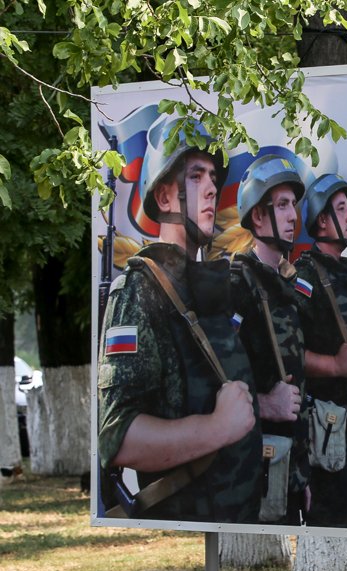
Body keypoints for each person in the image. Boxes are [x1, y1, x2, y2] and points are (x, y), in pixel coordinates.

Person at [97, 116, 263, 523]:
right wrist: (217, 429)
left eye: (213, 177)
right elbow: (118, 437)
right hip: (184, 527)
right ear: (165, 196)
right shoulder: (140, 291)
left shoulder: (210, 288)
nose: (212, 188)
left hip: (237, 522)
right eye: (196, 176)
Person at [230, 154, 310, 524]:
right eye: (282, 205)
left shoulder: (285, 285)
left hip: (286, 469)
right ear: (258, 217)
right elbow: (210, 384)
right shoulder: (237, 284)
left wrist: (301, 475)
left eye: (293, 205)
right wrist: (264, 404)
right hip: (251, 473)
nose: (293, 216)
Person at [294, 173, 347, 526]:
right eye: (342, 209)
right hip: (325, 433)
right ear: (322, 220)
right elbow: (288, 355)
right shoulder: (305, 277)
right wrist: (334, 365)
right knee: (328, 526)